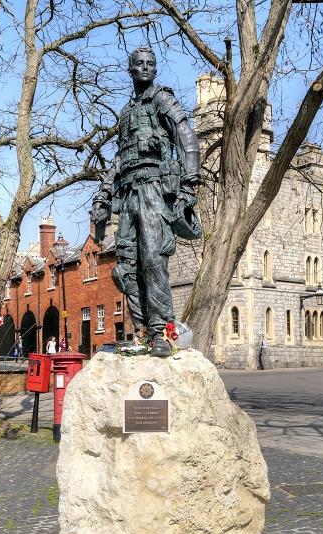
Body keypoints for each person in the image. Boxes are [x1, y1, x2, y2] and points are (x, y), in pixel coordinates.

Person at [91, 46, 201, 357]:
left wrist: (189, 185)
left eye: (151, 63)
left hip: (153, 190)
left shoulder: (162, 99)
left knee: (153, 259)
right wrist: (103, 195)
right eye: (139, 63)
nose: (145, 68)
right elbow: (119, 159)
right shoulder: (127, 113)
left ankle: (160, 332)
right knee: (126, 267)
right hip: (127, 196)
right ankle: (140, 330)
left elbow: (186, 138)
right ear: (130, 69)